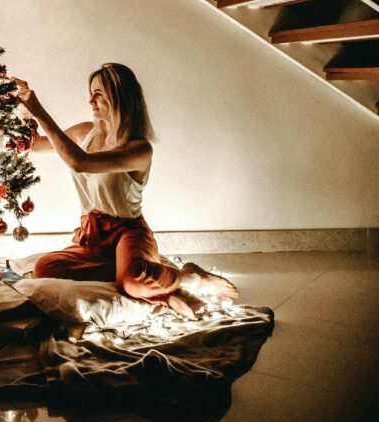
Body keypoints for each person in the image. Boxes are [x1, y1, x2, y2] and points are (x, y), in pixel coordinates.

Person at [13, 63, 237, 319]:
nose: (90, 99)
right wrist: (23, 107)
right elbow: (31, 146)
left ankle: (189, 278)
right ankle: (151, 279)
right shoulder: (85, 132)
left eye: (98, 93)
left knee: (131, 282)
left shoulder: (139, 149)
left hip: (127, 232)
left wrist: (39, 109)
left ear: (119, 97)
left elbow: (80, 162)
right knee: (44, 268)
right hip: (93, 234)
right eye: (91, 92)